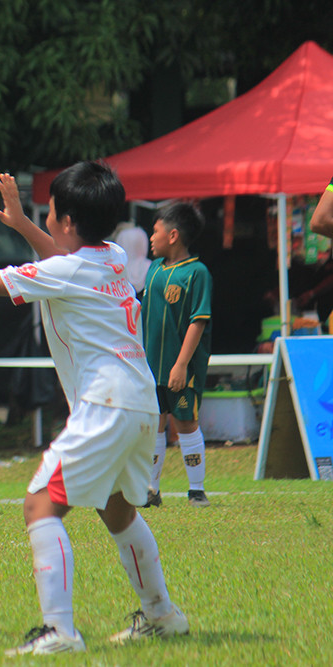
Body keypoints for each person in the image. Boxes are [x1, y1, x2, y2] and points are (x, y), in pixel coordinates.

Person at [0, 163, 188, 655]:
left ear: (68, 220)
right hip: (138, 403)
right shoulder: (113, 255)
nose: (47, 218)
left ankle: (60, 632)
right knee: (115, 507)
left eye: (50, 212)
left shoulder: (68, 269)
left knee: (39, 505)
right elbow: (63, 257)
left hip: (106, 404)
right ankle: (163, 615)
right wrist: (22, 224)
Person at [142, 202, 212, 508]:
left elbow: (198, 321)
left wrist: (181, 364)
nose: (150, 237)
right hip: (150, 365)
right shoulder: (154, 269)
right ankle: (151, 490)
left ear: (173, 235)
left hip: (180, 367)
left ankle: (196, 489)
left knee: (185, 422)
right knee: (154, 423)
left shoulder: (197, 273)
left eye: (155, 231)